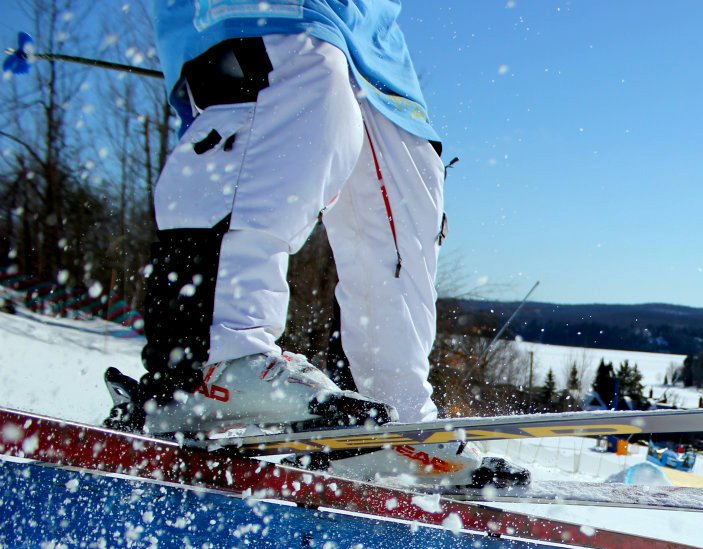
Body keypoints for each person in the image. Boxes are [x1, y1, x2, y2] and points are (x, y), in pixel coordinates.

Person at [106, 0, 527, 487]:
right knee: (298, 85)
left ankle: (395, 421)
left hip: (372, 37)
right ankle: (207, 365)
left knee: (406, 180)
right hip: (274, 13)